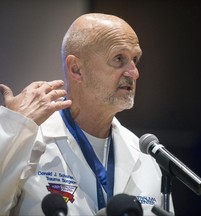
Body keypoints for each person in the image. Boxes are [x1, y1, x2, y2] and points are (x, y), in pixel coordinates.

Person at [0, 13, 174, 215]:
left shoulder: (146, 157)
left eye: (135, 59)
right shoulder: (24, 139)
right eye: (119, 59)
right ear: (76, 69)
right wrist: (12, 130)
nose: (134, 73)